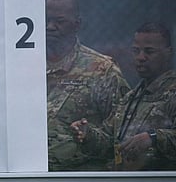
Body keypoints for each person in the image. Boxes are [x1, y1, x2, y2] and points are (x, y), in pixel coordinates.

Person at [71, 22, 176, 170]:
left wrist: (153, 138)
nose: (141, 57)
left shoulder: (172, 93)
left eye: (149, 51)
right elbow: (109, 141)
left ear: (168, 53)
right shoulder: (130, 98)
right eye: (136, 51)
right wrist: (88, 134)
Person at [46, 0, 130, 171]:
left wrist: (89, 135)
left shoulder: (101, 69)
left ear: (77, 24)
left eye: (59, 21)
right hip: (30, 175)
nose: (50, 26)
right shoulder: (24, 67)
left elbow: (122, 132)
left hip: (82, 177)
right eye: (46, 20)